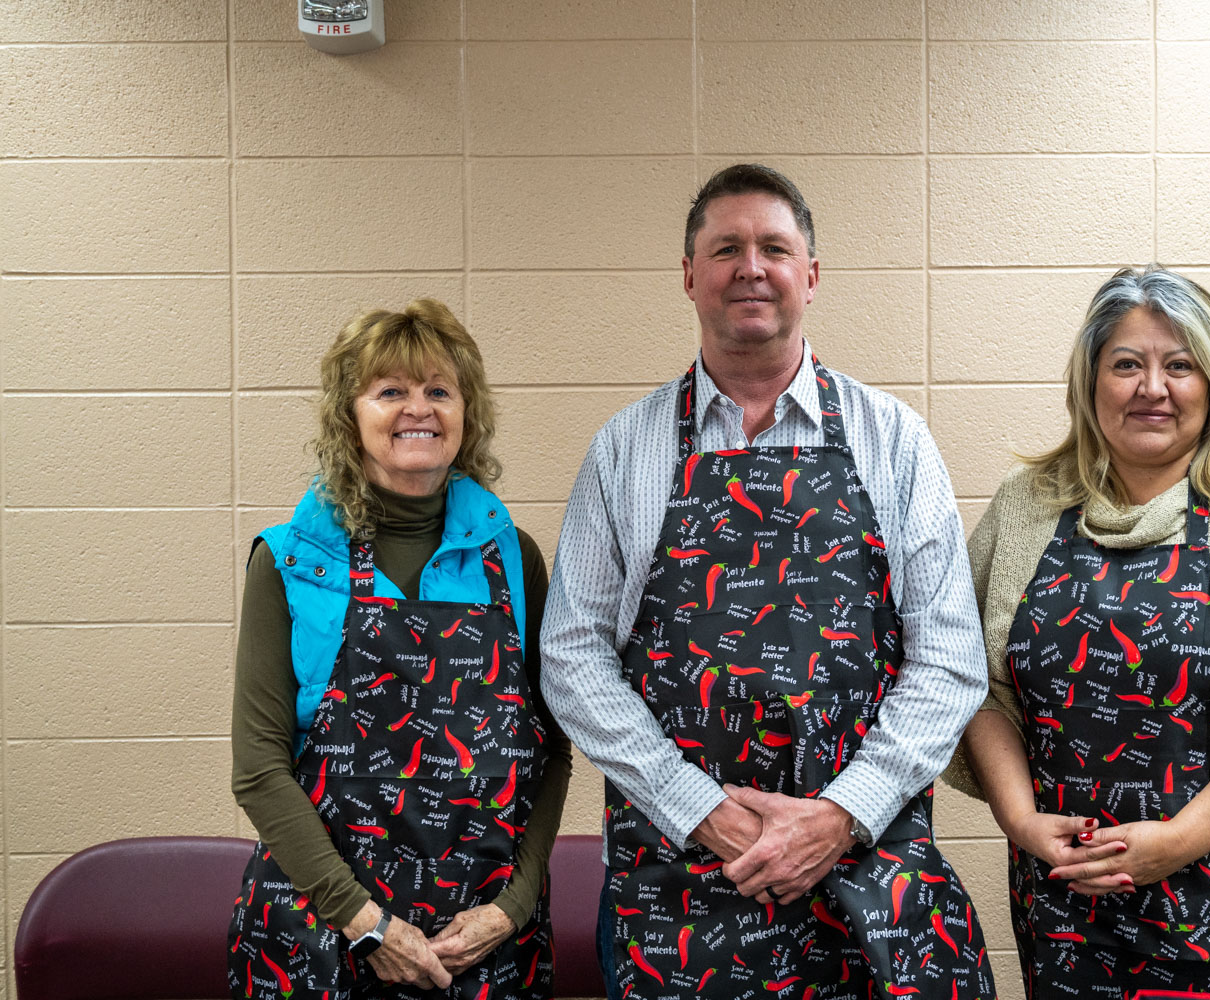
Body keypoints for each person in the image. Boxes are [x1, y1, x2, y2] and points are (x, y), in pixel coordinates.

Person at [540, 163, 996, 1000]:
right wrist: (700, 811)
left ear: (810, 277)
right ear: (689, 276)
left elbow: (952, 658)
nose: (751, 267)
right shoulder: (624, 448)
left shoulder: (893, 438)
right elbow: (573, 655)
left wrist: (839, 815)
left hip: (866, 870)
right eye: (726, 249)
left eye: (774, 248)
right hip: (677, 886)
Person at [944, 266, 1210, 1000]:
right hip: (1065, 892)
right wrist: (1020, 818)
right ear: (1091, 380)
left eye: (1180, 365)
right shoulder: (1027, 505)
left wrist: (1180, 842)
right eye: (1127, 364)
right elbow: (971, 679)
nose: (1152, 388)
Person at [228, 299, 571, 998]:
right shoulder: (290, 560)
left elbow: (550, 752)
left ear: (466, 412)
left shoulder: (513, 559)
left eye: (438, 390)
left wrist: (512, 908)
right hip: (323, 937)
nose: (419, 409)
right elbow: (259, 770)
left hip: (483, 947)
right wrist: (364, 923)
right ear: (349, 416)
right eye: (391, 391)